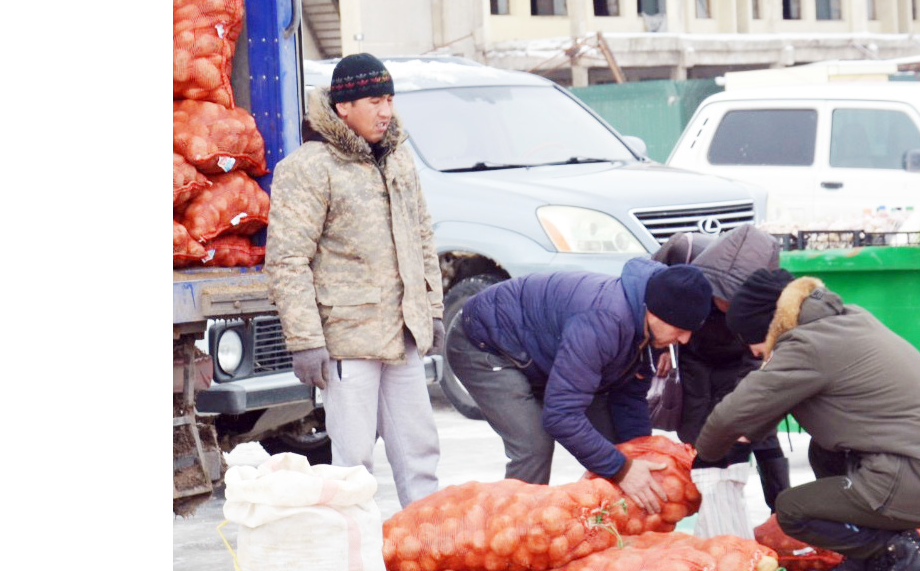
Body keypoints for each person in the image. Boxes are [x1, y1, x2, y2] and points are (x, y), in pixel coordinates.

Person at [694, 269, 920, 571]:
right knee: (824, 450)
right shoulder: (847, 320)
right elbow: (777, 403)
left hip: (916, 478)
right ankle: (863, 561)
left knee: (793, 510)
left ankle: (901, 551)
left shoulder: (807, 345)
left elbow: (732, 412)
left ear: (767, 328)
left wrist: (705, 456)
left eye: (750, 339)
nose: (753, 352)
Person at [264, 53, 444, 509]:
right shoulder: (309, 167)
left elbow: (422, 237)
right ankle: (357, 559)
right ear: (344, 106)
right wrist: (305, 340)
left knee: (419, 451)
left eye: (389, 99)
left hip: (402, 332)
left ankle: (426, 548)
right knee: (353, 465)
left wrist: (432, 310)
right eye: (374, 100)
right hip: (346, 339)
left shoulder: (399, 160)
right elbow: (287, 260)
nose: (386, 111)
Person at [444, 258, 714, 513]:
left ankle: (615, 530)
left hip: (540, 353)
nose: (686, 340)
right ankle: (515, 534)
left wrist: (640, 453)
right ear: (656, 313)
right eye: (681, 329)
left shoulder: (647, 325)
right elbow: (560, 416)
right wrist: (622, 469)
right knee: (534, 444)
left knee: (615, 447)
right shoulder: (604, 322)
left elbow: (629, 395)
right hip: (485, 344)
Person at [650, 225, 790, 538]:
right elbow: (653, 296)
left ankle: (782, 515)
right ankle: (707, 515)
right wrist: (661, 344)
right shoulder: (683, 251)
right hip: (693, 352)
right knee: (698, 432)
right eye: (720, 296)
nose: (724, 303)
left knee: (758, 429)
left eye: (734, 299)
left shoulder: (771, 282)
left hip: (742, 357)